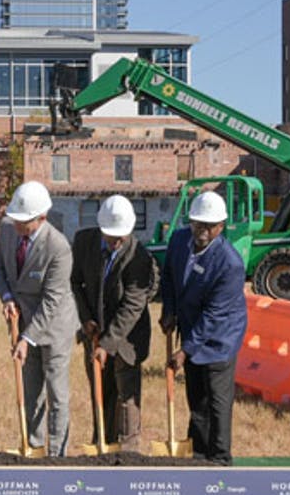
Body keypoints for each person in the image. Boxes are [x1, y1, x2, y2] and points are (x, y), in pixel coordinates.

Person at [0, 180, 78, 456]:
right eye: (15, 219)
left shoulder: (58, 247)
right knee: (31, 392)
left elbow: (52, 301)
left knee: (56, 394)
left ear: (42, 218)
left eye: (24, 221)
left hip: (55, 327)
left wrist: (27, 338)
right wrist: (6, 297)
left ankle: (56, 455)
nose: (17, 225)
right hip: (23, 321)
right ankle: (34, 447)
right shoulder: (7, 229)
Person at [160, 191, 247, 465]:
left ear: (221, 226)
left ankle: (220, 457)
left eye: (210, 226)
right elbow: (168, 277)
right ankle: (198, 455)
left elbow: (213, 315)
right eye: (198, 224)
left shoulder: (230, 264)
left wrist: (185, 351)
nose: (203, 231)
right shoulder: (178, 240)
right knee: (196, 397)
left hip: (220, 337)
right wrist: (169, 310)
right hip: (190, 327)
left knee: (217, 400)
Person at [70, 195, 158, 452]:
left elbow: (132, 306)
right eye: (111, 237)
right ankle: (102, 443)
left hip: (127, 336)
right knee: (101, 390)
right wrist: (86, 318)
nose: (117, 242)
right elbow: (75, 282)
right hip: (95, 331)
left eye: (121, 237)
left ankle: (128, 450)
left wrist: (107, 345)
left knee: (126, 395)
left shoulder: (139, 257)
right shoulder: (84, 242)